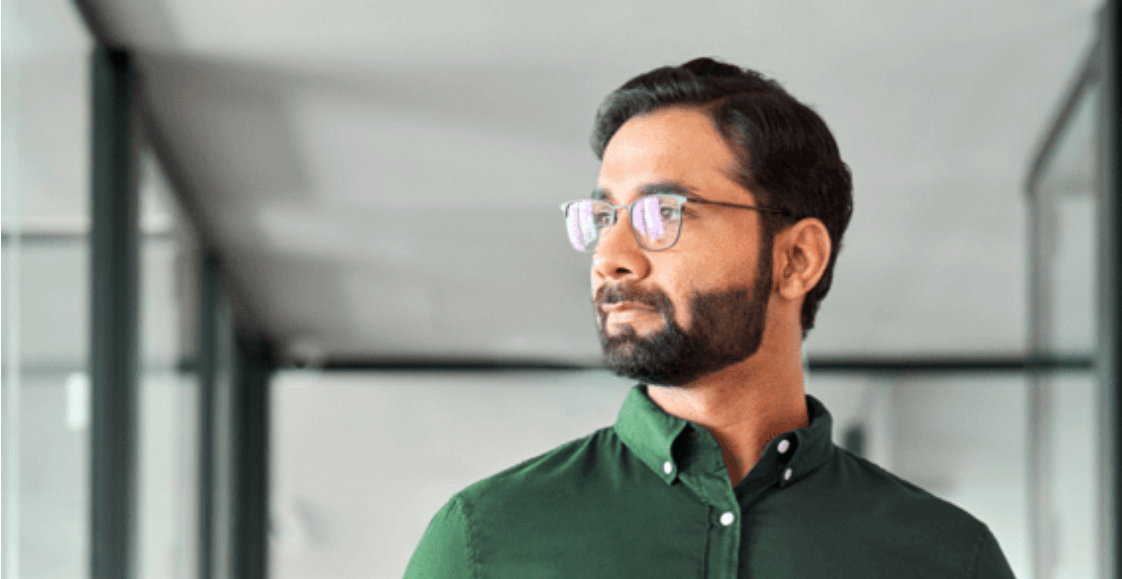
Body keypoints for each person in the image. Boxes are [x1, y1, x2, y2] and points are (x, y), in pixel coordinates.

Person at [403, 57, 1016, 578]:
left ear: (796, 258)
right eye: (602, 218)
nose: (610, 259)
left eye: (661, 214)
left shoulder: (949, 559)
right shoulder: (483, 544)